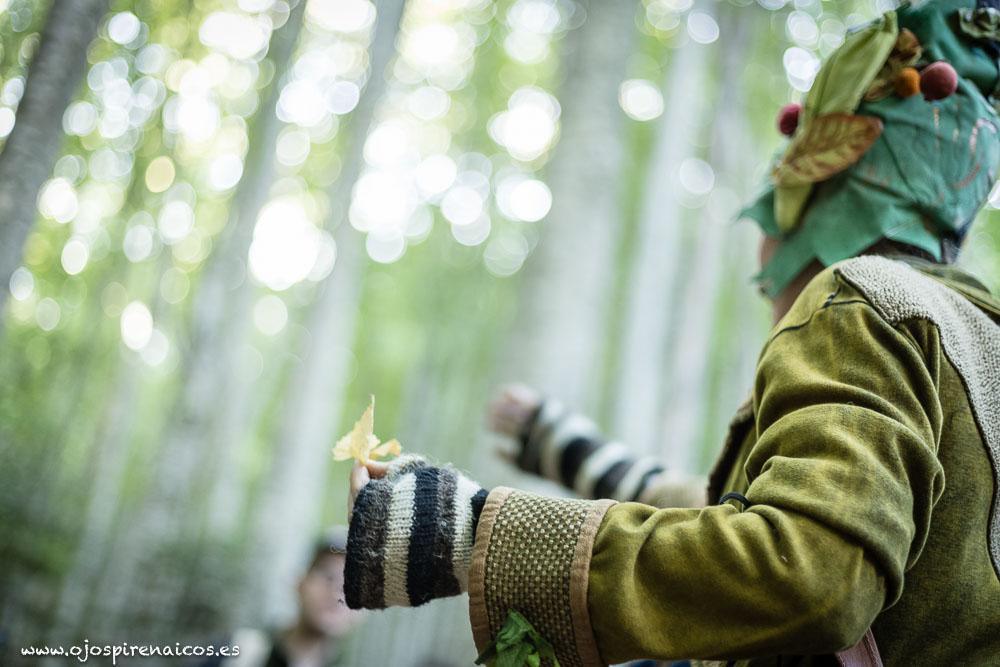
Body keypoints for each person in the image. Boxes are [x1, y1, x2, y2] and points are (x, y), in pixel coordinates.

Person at [344, 1, 1000, 665]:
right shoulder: (970, 338)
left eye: (769, 213)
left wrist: (464, 531)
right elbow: (733, 512)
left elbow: (809, 572)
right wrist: (569, 450)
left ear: (816, 201)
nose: (761, 258)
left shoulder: (859, 301)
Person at [201, 528, 363, 667]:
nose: (337, 593)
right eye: (329, 576)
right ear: (300, 582)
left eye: (351, 586)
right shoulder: (233, 653)